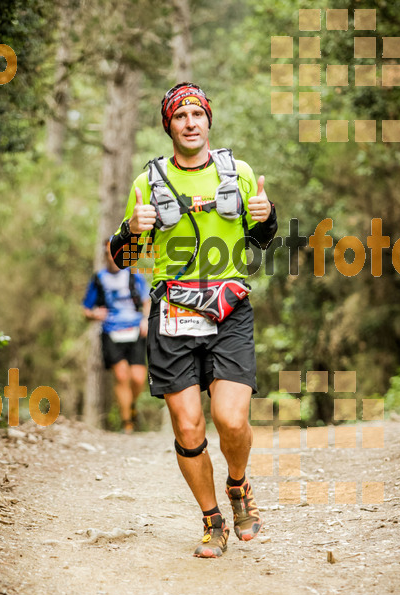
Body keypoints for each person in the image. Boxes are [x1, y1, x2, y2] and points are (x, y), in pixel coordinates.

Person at [109, 82, 277, 556]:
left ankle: (239, 487)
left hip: (228, 310)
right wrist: (131, 230)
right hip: (173, 314)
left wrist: (265, 216)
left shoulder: (237, 172)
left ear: (208, 121)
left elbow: (263, 238)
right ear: (169, 126)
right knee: (188, 428)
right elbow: (122, 257)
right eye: (179, 116)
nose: (189, 122)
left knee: (230, 418)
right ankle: (212, 521)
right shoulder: (148, 182)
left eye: (196, 114)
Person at [83, 240, 150, 432]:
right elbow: (85, 309)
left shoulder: (134, 275)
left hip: (135, 329)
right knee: (121, 375)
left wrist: (145, 319)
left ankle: (131, 407)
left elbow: (146, 301)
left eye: (115, 253)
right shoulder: (98, 279)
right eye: (108, 254)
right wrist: (94, 314)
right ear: (105, 256)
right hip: (111, 331)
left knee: (137, 378)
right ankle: (127, 422)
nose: (112, 257)